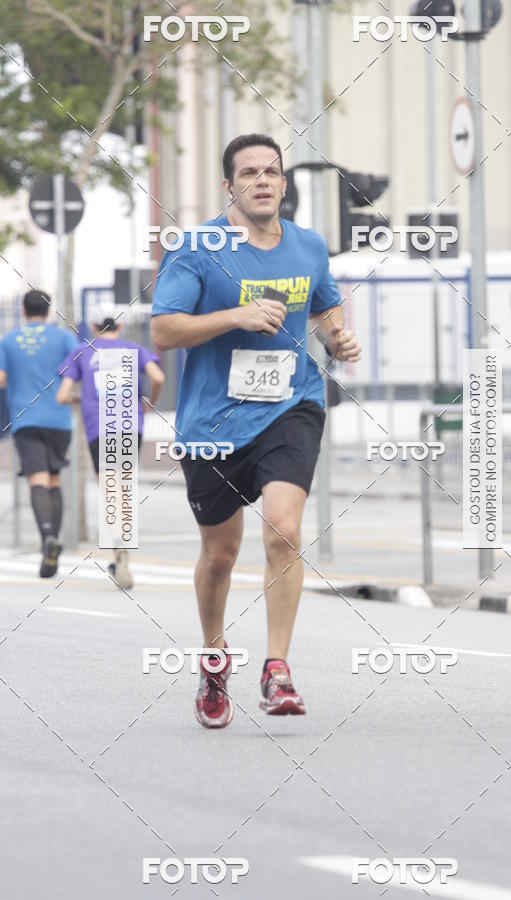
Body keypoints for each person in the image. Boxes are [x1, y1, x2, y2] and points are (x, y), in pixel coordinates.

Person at [151, 133, 361, 728]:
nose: (262, 181)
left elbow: (323, 306)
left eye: (272, 172)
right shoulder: (198, 249)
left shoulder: (309, 246)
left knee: (284, 530)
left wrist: (335, 337)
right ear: (229, 187)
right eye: (249, 173)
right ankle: (214, 658)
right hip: (212, 421)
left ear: (285, 184)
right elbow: (164, 331)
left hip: (290, 407)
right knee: (220, 555)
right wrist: (234, 317)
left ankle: (276, 670)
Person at [56, 299, 164, 589]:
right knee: (124, 488)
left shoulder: (83, 352)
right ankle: (123, 549)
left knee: (109, 491)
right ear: (121, 325)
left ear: (92, 326)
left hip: (99, 429)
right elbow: (158, 376)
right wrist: (149, 402)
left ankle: (119, 546)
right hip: (130, 427)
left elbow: (62, 395)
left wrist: (83, 399)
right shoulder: (135, 350)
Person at [0, 289, 78, 577]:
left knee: (38, 482)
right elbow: (76, 371)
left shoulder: (8, 341)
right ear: (49, 311)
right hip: (59, 420)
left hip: (26, 420)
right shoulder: (64, 338)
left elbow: (2, 378)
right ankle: (53, 541)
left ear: (23, 311)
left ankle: (46, 537)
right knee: (54, 481)